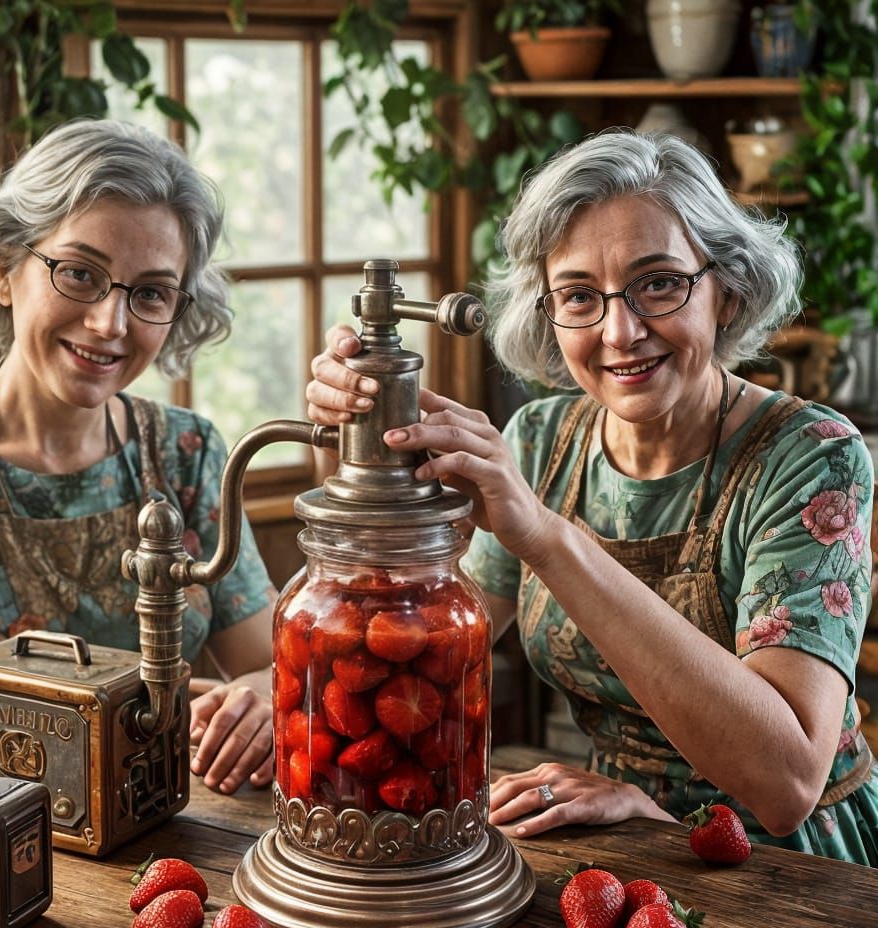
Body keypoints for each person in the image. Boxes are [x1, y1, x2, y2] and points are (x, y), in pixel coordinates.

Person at [307, 129, 878, 864]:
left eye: (659, 283)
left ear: (728, 290)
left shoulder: (812, 455)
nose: (620, 331)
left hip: (796, 868)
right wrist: (365, 462)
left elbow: (787, 780)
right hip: (610, 833)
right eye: (580, 296)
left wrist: (546, 537)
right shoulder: (541, 440)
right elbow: (417, 666)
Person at [0, 118, 274, 795]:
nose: (110, 324)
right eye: (80, 273)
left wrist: (261, 699)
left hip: (172, 827)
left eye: (150, 292)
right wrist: (41, 693)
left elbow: (269, 666)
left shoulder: (187, 453)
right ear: (5, 270)